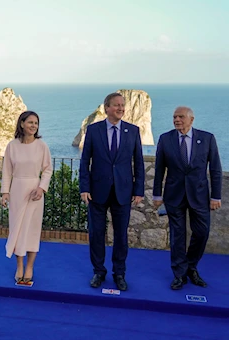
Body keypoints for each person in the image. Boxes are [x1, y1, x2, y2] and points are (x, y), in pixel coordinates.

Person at [79, 92, 145, 291]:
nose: (121, 108)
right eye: (116, 105)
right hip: (97, 191)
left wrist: (138, 190)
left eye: (123, 105)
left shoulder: (133, 131)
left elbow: (139, 163)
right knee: (97, 234)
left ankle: (119, 273)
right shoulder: (93, 130)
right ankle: (98, 271)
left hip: (123, 192)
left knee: (121, 236)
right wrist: (84, 188)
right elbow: (85, 162)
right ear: (106, 108)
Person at [153, 106, 222, 290]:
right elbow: (159, 169)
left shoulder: (207, 139)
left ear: (191, 119)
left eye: (181, 117)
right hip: (174, 196)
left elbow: (215, 169)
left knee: (202, 233)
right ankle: (179, 274)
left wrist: (216, 196)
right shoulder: (165, 139)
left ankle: (191, 266)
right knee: (177, 236)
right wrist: (157, 194)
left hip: (199, 196)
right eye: (174, 117)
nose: (177, 120)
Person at [0, 111, 53, 283]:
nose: (33, 126)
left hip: (35, 193)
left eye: (36, 123)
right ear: (21, 124)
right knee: (18, 228)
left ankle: (30, 266)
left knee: (32, 229)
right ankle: (19, 265)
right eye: (30, 122)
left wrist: (41, 188)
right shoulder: (12, 146)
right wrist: (5, 192)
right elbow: (7, 171)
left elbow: (47, 169)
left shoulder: (42, 146)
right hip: (17, 191)